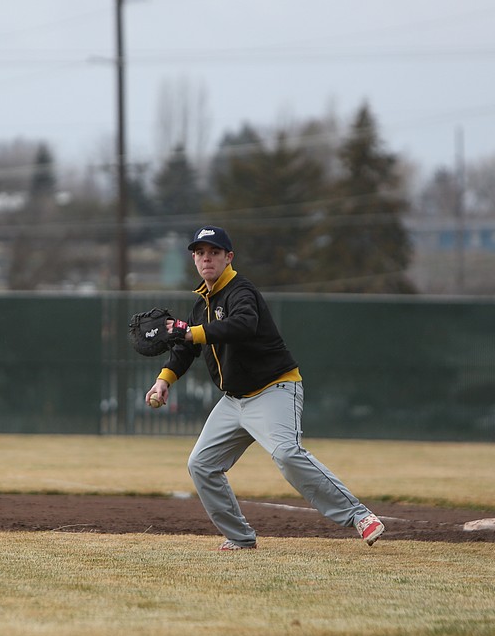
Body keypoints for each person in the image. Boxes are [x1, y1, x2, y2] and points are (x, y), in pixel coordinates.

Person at [145, 225, 385, 551]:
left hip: (274, 389)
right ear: (193, 259)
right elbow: (186, 350)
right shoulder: (202, 303)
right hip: (234, 401)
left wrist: (192, 333)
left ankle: (359, 516)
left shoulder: (241, 291)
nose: (206, 259)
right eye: (200, 253)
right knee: (201, 464)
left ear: (228, 257)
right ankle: (240, 537)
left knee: (286, 453)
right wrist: (163, 381)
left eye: (214, 252)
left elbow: (243, 325)